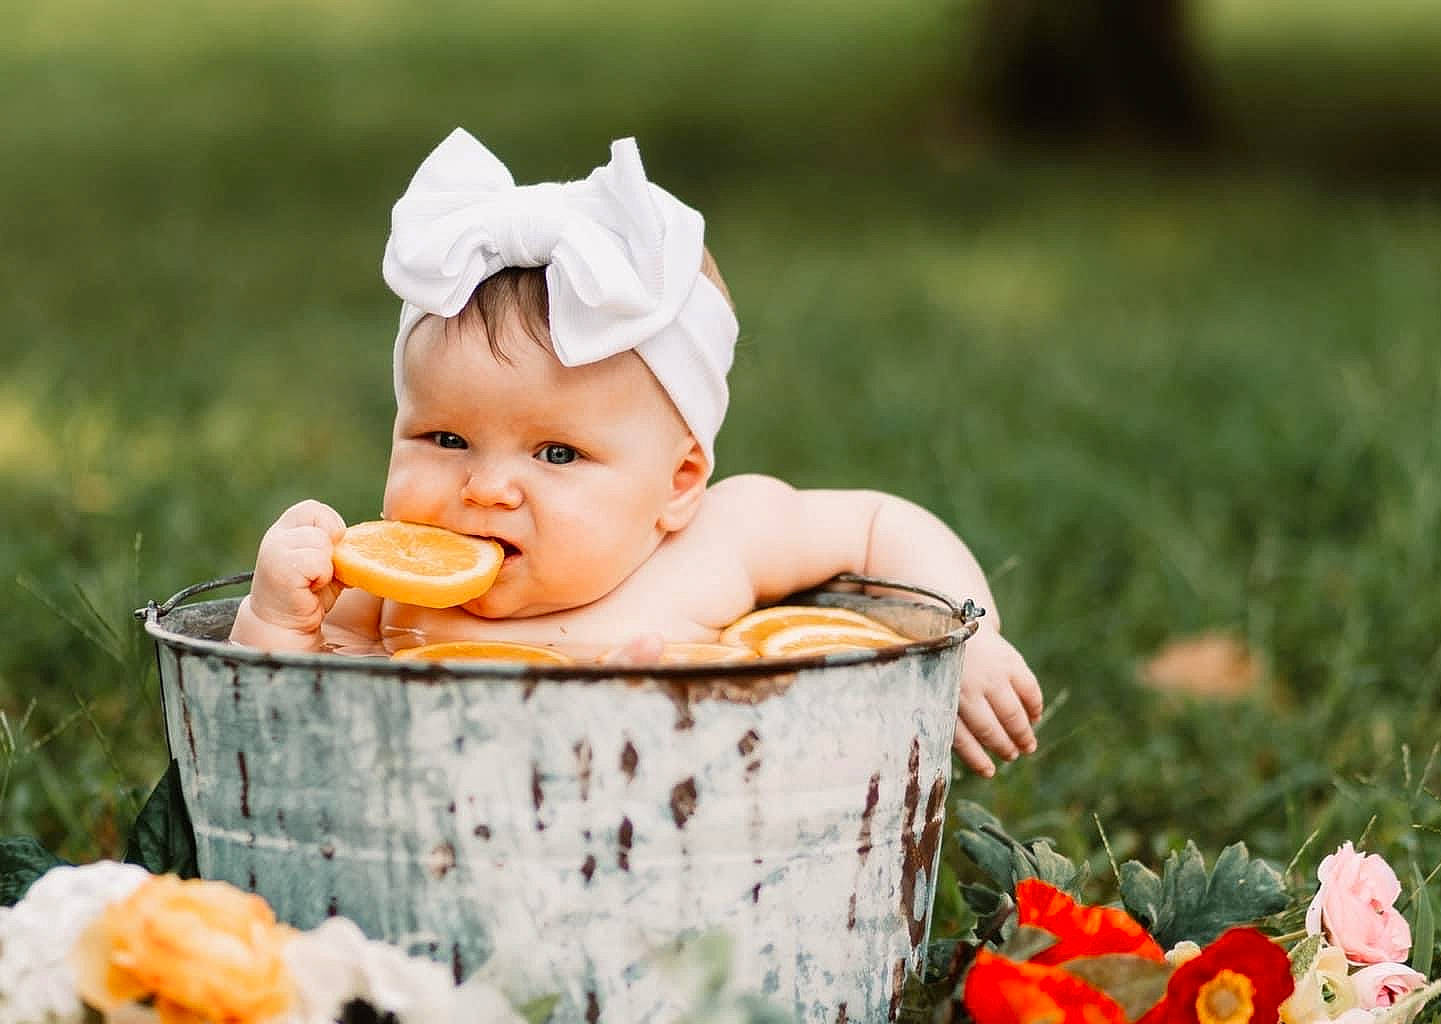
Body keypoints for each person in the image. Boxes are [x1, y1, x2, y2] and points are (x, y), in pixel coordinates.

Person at [232, 129, 1042, 777]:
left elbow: (878, 523)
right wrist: (277, 616)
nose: (484, 487)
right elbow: (277, 737)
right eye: (444, 439)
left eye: (555, 453)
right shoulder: (383, 595)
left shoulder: (714, 543)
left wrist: (967, 636)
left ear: (679, 481)